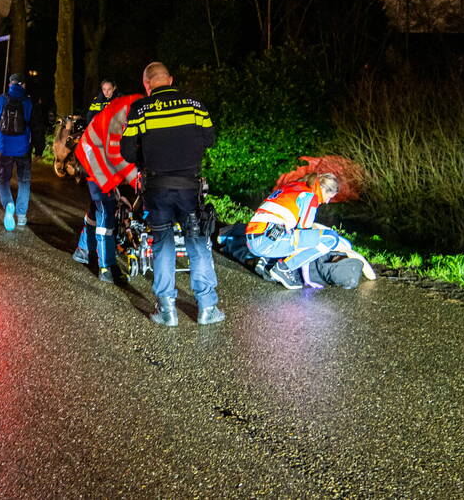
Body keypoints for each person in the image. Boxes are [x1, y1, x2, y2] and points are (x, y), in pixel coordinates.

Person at [120, 62, 224, 326]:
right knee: (197, 243)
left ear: (147, 84)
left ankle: (167, 310)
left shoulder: (140, 109)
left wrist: (149, 152)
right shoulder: (195, 106)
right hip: (189, 187)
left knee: (163, 244)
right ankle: (207, 307)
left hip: (157, 189)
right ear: (170, 79)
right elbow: (209, 139)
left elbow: (128, 152)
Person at [244, 173, 376, 289]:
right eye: (329, 197)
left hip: (253, 238)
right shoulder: (310, 197)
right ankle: (283, 269)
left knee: (296, 233)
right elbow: (305, 240)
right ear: (323, 189)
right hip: (266, 241)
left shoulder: (294, 186)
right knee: (331, 238)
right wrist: (306, 278)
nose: (327, 202)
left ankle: (267, 262)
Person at [70, 92, 144, 282]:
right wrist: (134, 180)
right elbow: (115, 153)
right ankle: (106, 267)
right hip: (95, 158)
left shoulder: (131, 109)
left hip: (97, 154)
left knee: (97, 208)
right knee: (106, 211)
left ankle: (83, 250)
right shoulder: (125, 115)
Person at [0, 73, 43, 231]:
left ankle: (9, 203)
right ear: (22, 85)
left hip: (4, 148)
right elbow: (37, 127)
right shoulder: (28, 102)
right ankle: (22, 216)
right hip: (23, 148)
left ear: (10, 85)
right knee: (24, 181)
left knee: (2, 180)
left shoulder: (0, 100)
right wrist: (39, 148)